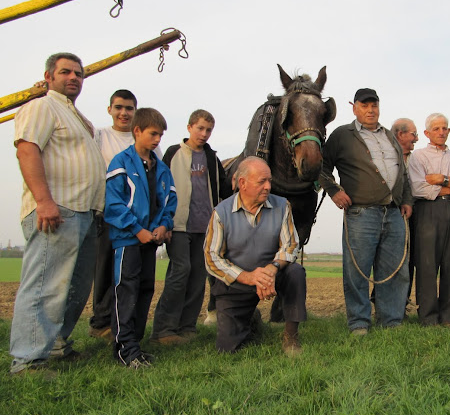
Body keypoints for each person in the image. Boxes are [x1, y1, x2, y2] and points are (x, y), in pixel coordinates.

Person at [10, 53, 105, 374]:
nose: (74, 78)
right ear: (48, 76)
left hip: (85, 212)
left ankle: (55, 346)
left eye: (79, 73)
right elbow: (27, 149)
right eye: (65, 72)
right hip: (56, 209)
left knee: (75, 287)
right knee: (44, 285)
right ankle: (27, 359)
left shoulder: (77, 117)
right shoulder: (41, 106)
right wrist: (44, 201)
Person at [319, 88, 412, 335]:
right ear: (354, 107)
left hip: (394, 212)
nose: (370, 110)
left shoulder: (390, 136)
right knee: (357, 271)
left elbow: (402, 171)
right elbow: (321, 166)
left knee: (395, 270)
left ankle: (391, 322)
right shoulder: (342, 135)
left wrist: (407, 200)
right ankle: (359, 323)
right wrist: (334, 191)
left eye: (374, 105)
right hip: (360, 213)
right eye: (364, 105)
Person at [204, 157, 306, 356]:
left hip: (271, 277)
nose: (268, 186)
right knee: (227, 349)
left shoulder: (282, 206)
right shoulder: (220, 212)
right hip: (236, 283)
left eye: (269, 180)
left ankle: (291, 336)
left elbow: (291, 244)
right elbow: (212, 258)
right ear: (242, 183)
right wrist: (249, 277)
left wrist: (272, 268)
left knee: (295, 272)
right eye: (261, 181)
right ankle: (251, 318)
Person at [151, 109, 230, 345]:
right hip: (177, 226)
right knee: (180, 273)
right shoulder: (174, 153)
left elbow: (222, 189)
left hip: (204, 228)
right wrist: (162, 221)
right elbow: (159, 188)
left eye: (208, 130)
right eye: (200, 128)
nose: (204, 134)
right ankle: (163, 330)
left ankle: (187, 327)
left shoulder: (211, 158)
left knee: (197, 278)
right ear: (189, 127)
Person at [105, 108, 177, 368]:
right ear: (137, 131)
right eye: (153, 134)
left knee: (145, 291)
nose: (158, 139)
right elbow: (113, 203)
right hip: (127, 240)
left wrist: (163, 226)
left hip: (150, 241)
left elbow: (169, 201)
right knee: (126, 291)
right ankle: (125, 349)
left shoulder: (161, 168)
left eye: (161, 135)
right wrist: (137, 229)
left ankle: (135, 345)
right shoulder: (121, 162)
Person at [89, 89, 152, 340]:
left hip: (140, 221)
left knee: (133, 275)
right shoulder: (100, 136)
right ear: (110, 110)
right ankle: (101, 322)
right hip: (110, 215)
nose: (124, 113)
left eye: (129, 108)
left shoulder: (145, 142)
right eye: (119, 108)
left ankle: (126, 323)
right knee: (106, 269)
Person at [408, 113, 450, 326]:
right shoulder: (418, 156)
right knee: (427, 265)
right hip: (427, 210)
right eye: (436, 129)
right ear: (427, 133)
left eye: (444, 128)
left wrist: (441, 179)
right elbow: (418, 186)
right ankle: (428, 318)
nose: (441, 132)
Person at [391, 118, 419, 306]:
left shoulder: (417, 159)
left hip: (415, 215)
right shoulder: (389, 156)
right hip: (393, 214)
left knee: (410, 260)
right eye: (413, 134)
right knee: (390, 259)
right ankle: (382, 300)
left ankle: (402, 302)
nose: (416, 139)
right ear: (400, 135)